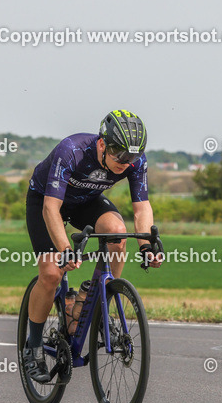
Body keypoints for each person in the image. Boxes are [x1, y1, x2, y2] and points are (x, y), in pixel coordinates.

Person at [22, 110, 162, 383]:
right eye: (119, 155)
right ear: (102, 144)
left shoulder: (134, 160)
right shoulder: (71, 150)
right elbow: (51, 208)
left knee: (118, 234)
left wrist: (147, 246)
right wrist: (65, 249)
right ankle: (34, 346)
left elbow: (142, 207)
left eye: (131, 157)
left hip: (86, 202)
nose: (126, 163)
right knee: (51, 273)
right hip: (45, 201)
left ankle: (99, 299)